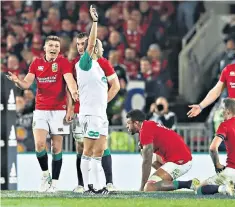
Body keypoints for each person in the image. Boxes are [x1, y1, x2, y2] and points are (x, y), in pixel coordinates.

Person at [6, 35, 78, 193]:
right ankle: (46, 175)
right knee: (39, 145)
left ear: (59, 50)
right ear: (45, 48)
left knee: (57, 147)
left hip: (59, 110)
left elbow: (70, 80)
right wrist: (17, 80)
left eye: (56, 47)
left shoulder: (63, 62)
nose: (54, 49)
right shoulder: (36, 63)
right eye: (51, 46)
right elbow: (26, 84)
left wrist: (73, 92)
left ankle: (56, 183)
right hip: (40, 110)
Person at [76, 6, 120, 194]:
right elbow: (92, 40)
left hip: (100, 113)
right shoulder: (84, 64)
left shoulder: (99, 66)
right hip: (90, 113)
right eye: (92, 45)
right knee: (89, 150)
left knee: (100, 150)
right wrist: (95, 22)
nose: (94, 46)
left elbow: (113, 87)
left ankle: (97, 185)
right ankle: (90, 187)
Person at [126, 109, 198, 192]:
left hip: (180, 161)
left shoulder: (145, 131)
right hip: (178, 157)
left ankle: (189, 184)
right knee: (143, 152)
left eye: (128, 123)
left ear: (136, 123)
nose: (126, 126)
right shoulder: (148, 125)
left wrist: (142, 187)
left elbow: (147, 161)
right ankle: (166, 183)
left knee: (149, 187)